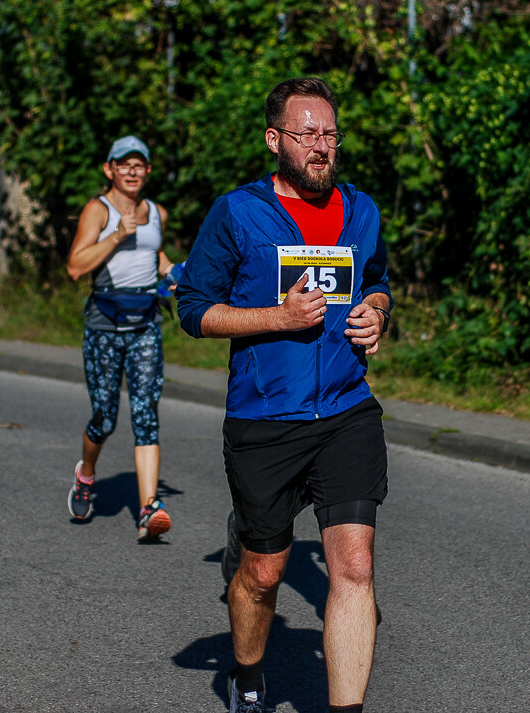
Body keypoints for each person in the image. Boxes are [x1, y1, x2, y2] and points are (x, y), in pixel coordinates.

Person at [178, 77, 392, 713]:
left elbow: (378, 282)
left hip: (347, 411)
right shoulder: (237, 213)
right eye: (307, 135)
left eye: (330, 134)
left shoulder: (362, 210)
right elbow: (193, 311)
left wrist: (376, 312)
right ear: (276, 140)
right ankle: (247, 671)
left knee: (354, 567)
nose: (321, 147)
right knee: (264, 572)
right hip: (264, 419)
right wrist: (276, 317)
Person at [66, 135, 180, 542]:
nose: (132, 171)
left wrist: (172, 273)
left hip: (145, 324)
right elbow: (75, 267)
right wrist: (115, 236)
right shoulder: (99, 210)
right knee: (104, 416)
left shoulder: (157, 214)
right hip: (103, 326)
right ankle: (87, 475)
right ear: (109, 170)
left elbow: (155, 255)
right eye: (124, 164)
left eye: (139, 165)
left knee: (146, 414)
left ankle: (149, 508)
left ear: (147, 171)